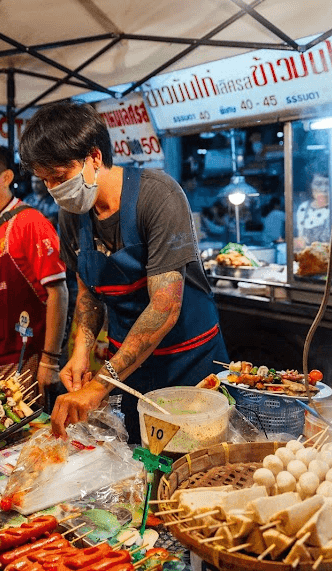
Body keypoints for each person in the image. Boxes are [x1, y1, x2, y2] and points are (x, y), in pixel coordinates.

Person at [19, 102, 229, 442]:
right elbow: (88, 295)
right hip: (128, 371)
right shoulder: (72, 215)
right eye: (45, 181)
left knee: (196, 466)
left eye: (59, 177)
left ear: (95, 157)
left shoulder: (157, 196)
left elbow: (165, 307)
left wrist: (100, 384)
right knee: (138, 461)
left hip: (190, 366)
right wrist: (80, 351)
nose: (54, 190)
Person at [0, 143, 68, 402]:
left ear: (6, 177)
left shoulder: (30, 222)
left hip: (25, 360)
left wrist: (50, 361)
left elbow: (58, 293)